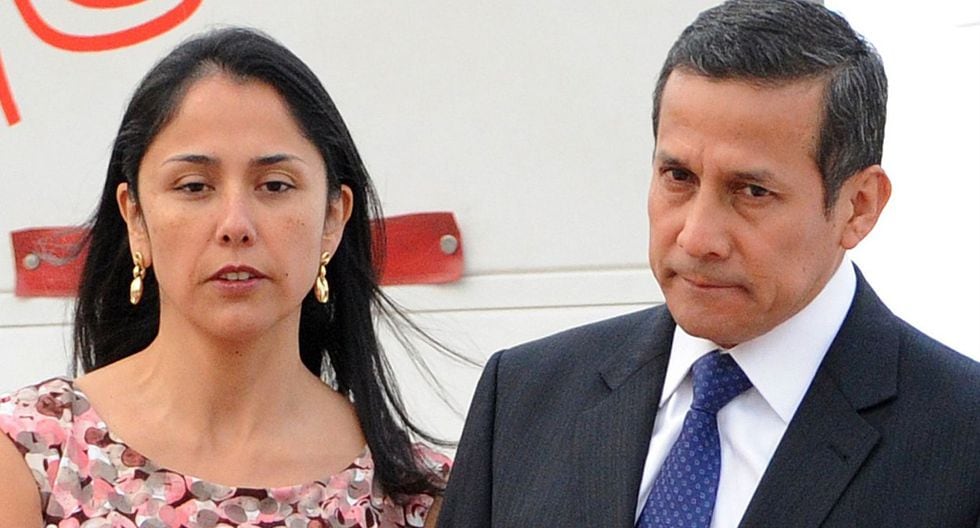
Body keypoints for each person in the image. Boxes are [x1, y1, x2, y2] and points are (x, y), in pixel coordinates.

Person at [438, 1, 980, 526]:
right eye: (679, 177)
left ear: (858, 207)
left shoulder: (961, 441)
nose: (697, 238)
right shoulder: (524, 395)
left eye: (752, 191)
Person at [0, 28, 450, 527]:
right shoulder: (32, 455)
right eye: (194, 186)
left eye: (275, 185)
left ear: (333, 218)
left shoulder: (414, 498)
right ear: (135, 217)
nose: (236, 224)